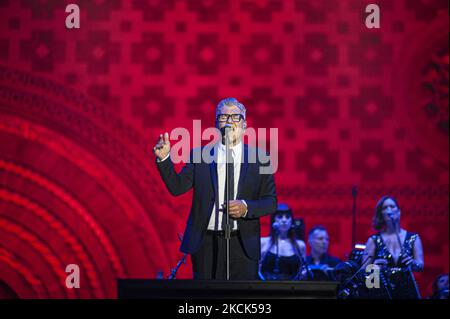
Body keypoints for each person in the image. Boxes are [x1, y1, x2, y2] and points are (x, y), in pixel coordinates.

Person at [154, 97, 277, 280]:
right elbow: (177, 187)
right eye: (223, 117)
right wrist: (164, 160)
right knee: (207, 298)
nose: (229, 121)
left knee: (242, 301)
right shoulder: (200, 155)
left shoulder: (260, 158)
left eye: (235, 117)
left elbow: (270, 202)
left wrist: (246, 207)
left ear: (244, 125)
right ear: (216, 124)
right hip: (205, 242)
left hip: (243, 243)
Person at [360, 195, 424, 299]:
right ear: (381, 214)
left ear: (399, 211)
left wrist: (413, 263)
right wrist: (374, 268)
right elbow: (363, 274)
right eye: (385, 208)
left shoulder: (413, 238)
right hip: (382, 292)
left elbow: (420, 266)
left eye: (392, 206)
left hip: (407, 292)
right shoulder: (374, 240)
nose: (389, 210)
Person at [260, 203, 307, 280]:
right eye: (280, 217)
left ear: (291, 221)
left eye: (287, 217)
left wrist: (303, 274)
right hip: (267, 287)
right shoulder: (263, 242)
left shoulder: (300, 245)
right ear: (273, 221)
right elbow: (256, 270)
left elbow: (303, 270)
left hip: (292, 289)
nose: (284, 220)